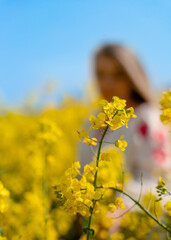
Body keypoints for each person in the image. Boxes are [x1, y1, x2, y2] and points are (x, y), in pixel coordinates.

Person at [78, 43, 170, 198]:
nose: (107, 83)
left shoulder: (146, 118)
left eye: (117, 75)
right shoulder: (91, 121)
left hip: (135, 217)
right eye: (100, 74)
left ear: (132, 76)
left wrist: (123, 210)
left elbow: (160, 182)